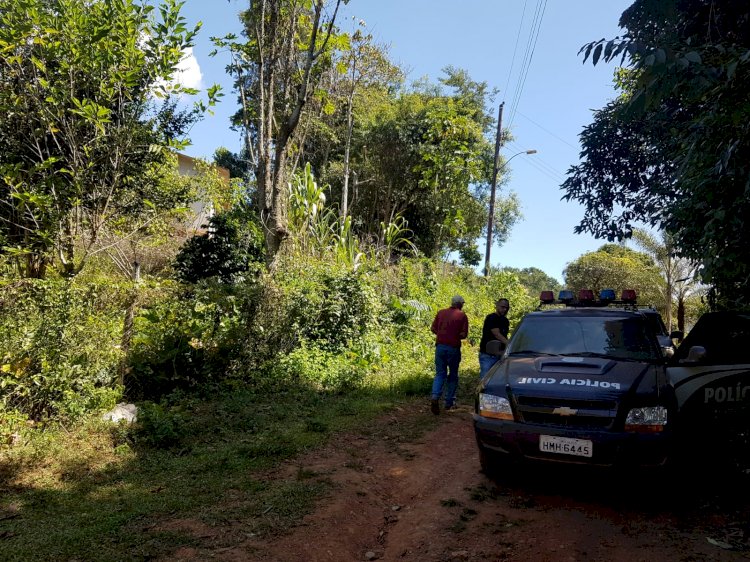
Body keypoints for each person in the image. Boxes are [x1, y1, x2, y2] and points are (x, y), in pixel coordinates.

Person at [430, 295, 469, 414]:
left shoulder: (441, 313)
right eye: (462, 303)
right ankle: (449, 402)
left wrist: (442, 334)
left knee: (440, 373)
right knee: (453, 374)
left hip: (440, 347)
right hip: (453, 348)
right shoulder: (462, 315)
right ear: (460, 304)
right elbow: (464, 335)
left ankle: (435, 397)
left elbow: (433, 329)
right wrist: (454, 335)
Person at [478, 298, 511, 378]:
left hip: (500, 354)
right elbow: (496, 334)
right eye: (502, 307)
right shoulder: (491, 318)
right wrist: (509, 344)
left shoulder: (505, 321)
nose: (504, 309)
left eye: (506, 308)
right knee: (485, 379)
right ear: (497, 306)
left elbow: (504, 335)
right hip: (487, 355)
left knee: (497, 378)